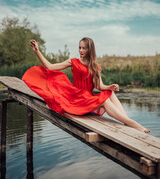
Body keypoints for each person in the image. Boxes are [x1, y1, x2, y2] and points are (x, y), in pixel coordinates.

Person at [22, 37, 150, 133]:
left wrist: (109, 87)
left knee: (109, 93)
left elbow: (99, 86)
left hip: (87, 97)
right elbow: (50, 66)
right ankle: (132, 123)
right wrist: (37, 51)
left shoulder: (95, 66)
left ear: (90, 49)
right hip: (76, 98)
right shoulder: (74, 62)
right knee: (105, 101)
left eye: (84, 48)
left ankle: (126, 120)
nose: (81, 50)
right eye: (80, 47)